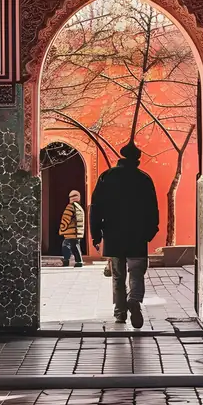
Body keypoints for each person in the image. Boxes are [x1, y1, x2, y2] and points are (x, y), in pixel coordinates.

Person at [90, 141, 159, 328]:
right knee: (136, 271)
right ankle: (134, 300)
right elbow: (152, 208)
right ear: (137, 159)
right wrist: (151, 231)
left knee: (118, 275)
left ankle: (120, 313)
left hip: (113, 233)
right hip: (137, 235)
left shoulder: (106, 177)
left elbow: (96, 207)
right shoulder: (144, 179)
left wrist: (96, 233)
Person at [59, 190, 85, 268]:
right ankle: (79, 261)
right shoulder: (80, 208)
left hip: (70, 231)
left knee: (65, 245)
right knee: (75, 246)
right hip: (77, 232)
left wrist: (62, 228)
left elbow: (66, 218)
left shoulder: (70, 206)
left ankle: (66, 260)